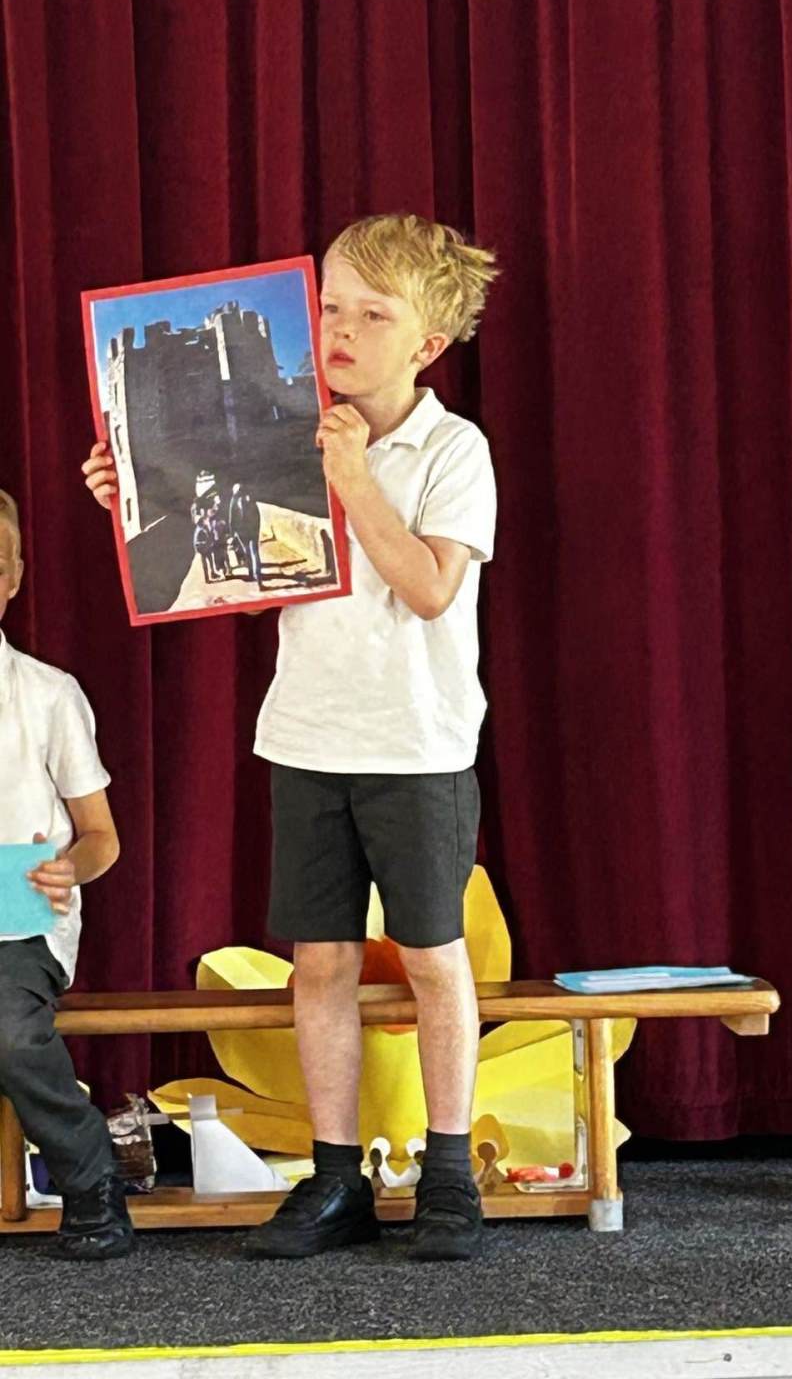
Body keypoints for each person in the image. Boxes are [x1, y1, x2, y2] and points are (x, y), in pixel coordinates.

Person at [82, 212, 499, 1262]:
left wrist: (354, 479)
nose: (341, 330)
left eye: (372, 315)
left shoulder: (452, 448)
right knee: (318, 963)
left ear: (426, 343)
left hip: (415, 748)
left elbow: (431, 587)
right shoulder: (286, 425)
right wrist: (135, 485)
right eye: (331, 308)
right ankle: (335, 1175)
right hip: (308, 740)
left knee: (432, 957)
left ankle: (449, 1175)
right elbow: (230, 554)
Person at [0, 489, 131, 1260]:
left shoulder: (48, 695)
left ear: (13, 578)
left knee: (10, 1029)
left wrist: (66, 869)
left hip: (19, 919)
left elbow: (101, 838)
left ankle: (91, 1177)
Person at [228, 483, 262, 584]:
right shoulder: (250, 500)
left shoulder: (233, 501)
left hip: (242, 531)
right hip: (253, 530)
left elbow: (231, 519)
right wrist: (257, 529)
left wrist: (232, 533)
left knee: (247, 552)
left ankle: (251, 573)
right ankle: (258, 576)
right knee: (255, 552)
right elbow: (257, 516)